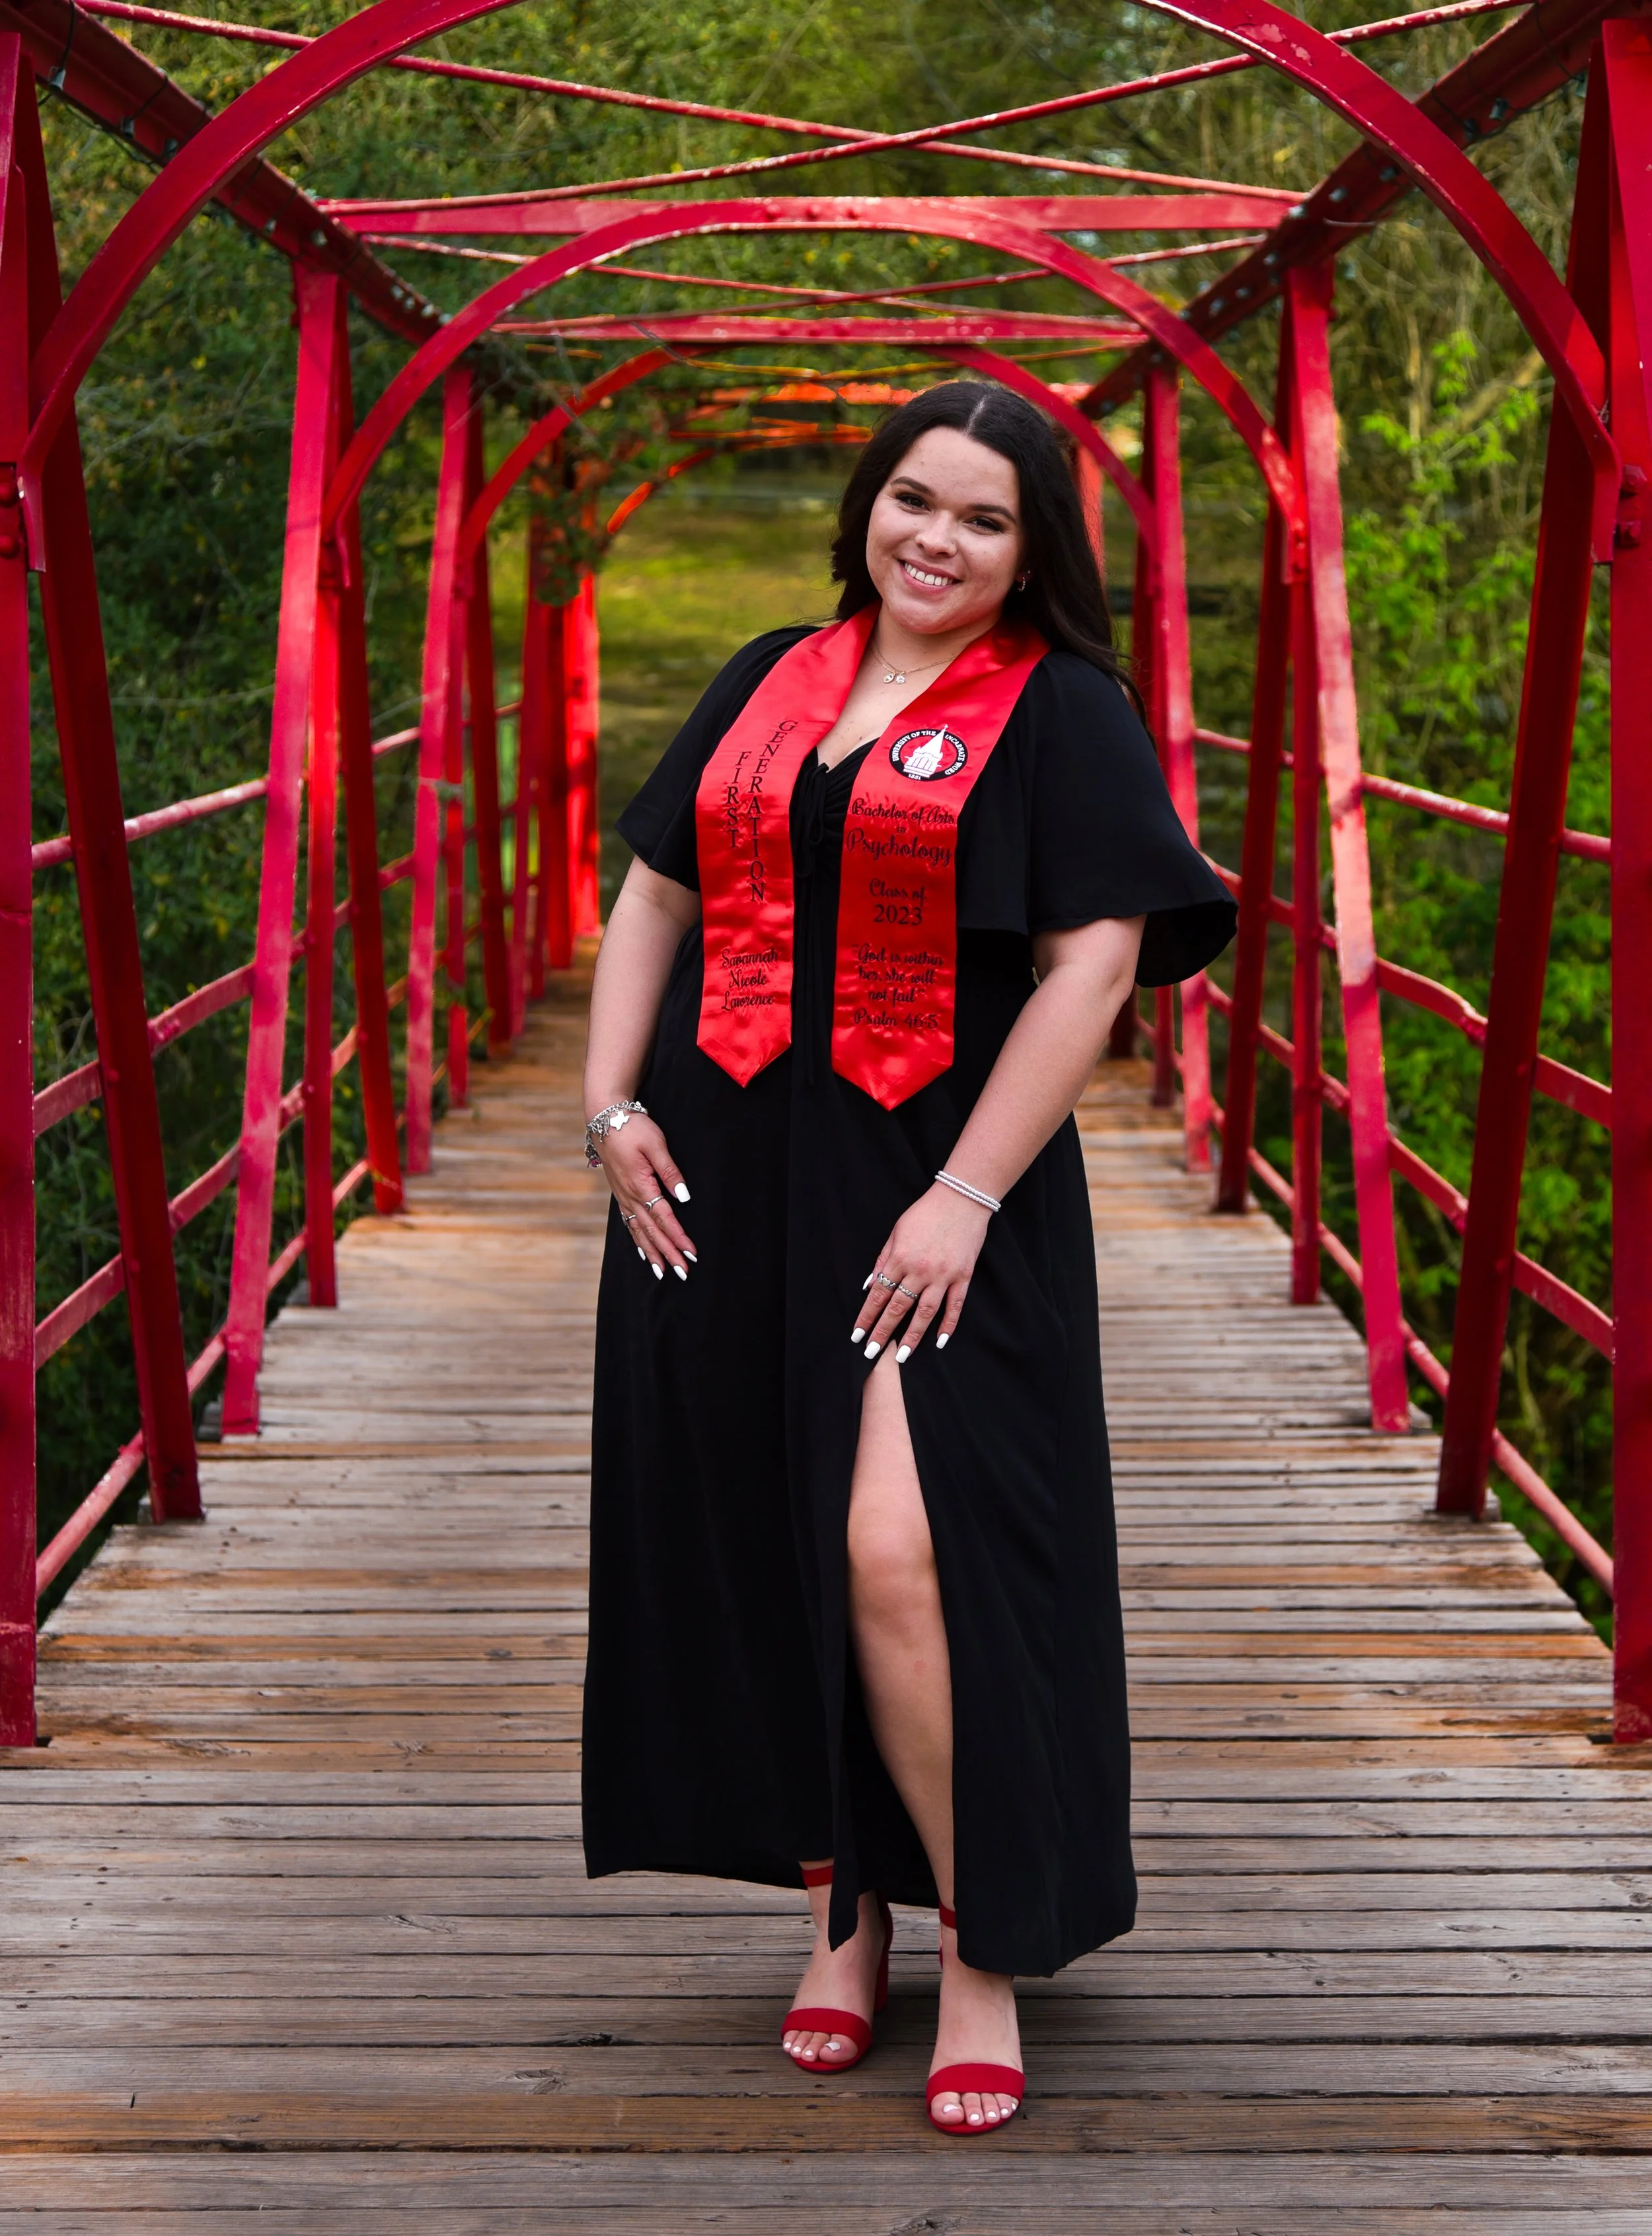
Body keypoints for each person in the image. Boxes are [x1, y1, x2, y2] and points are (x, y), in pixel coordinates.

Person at [580, 380, 1236, 2134]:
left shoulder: (1063, 712)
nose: (934, 540)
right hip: (721, 1169)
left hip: (940, 1183)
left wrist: (962, 1196)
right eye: (913, 502)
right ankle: (842, 1917)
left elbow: (1090, 970)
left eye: (983, 518)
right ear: (866, 503)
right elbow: (656, 890)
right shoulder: (763, 680)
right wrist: (603, 1108)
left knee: (894, 1549)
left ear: (1034, 552)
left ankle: (984, 1951)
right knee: (764, 1536)